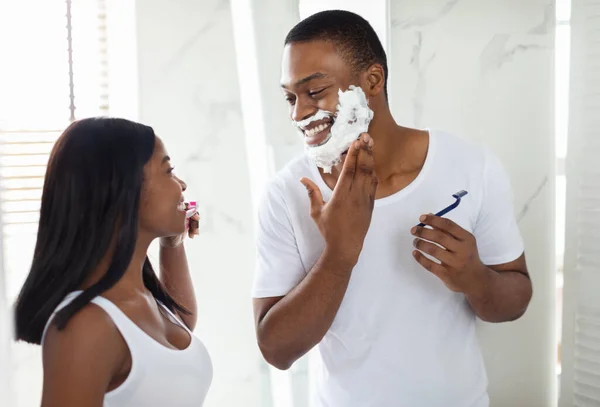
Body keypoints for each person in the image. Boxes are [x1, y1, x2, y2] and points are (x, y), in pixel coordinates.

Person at [252, 10, 533, 407]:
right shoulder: (288, 194)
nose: (298, 114)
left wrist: (475, 278)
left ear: (372, 81)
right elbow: (277, 351)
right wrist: (339, 254)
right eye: (290, 97)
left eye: (314, 92)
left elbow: (516, 300)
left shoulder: (472, 167)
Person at [14, 117, 212, 407]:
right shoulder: (85, 326)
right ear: (124, 189)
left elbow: (178, 327)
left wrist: (173, 243)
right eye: (168, 171)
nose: (181, 184)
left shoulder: (141, 298)